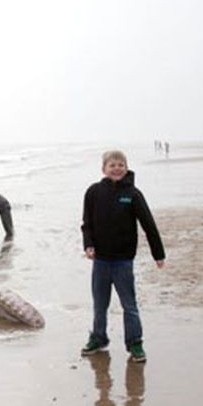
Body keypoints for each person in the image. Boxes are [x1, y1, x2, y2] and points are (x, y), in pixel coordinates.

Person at [80, 150, 165, 363]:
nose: (117, 168)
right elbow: (86, 223)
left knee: (129, 304)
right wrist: (88, 244)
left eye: (121, 165)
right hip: (100, 261)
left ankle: (135, 343)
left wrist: (158, 254)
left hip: (123, 261)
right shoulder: (93, 192)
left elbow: (149, 225)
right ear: (104, 169)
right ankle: (98, 338)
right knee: (100, 304)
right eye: (112, 165)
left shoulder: (133, 194)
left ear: (126, 168)